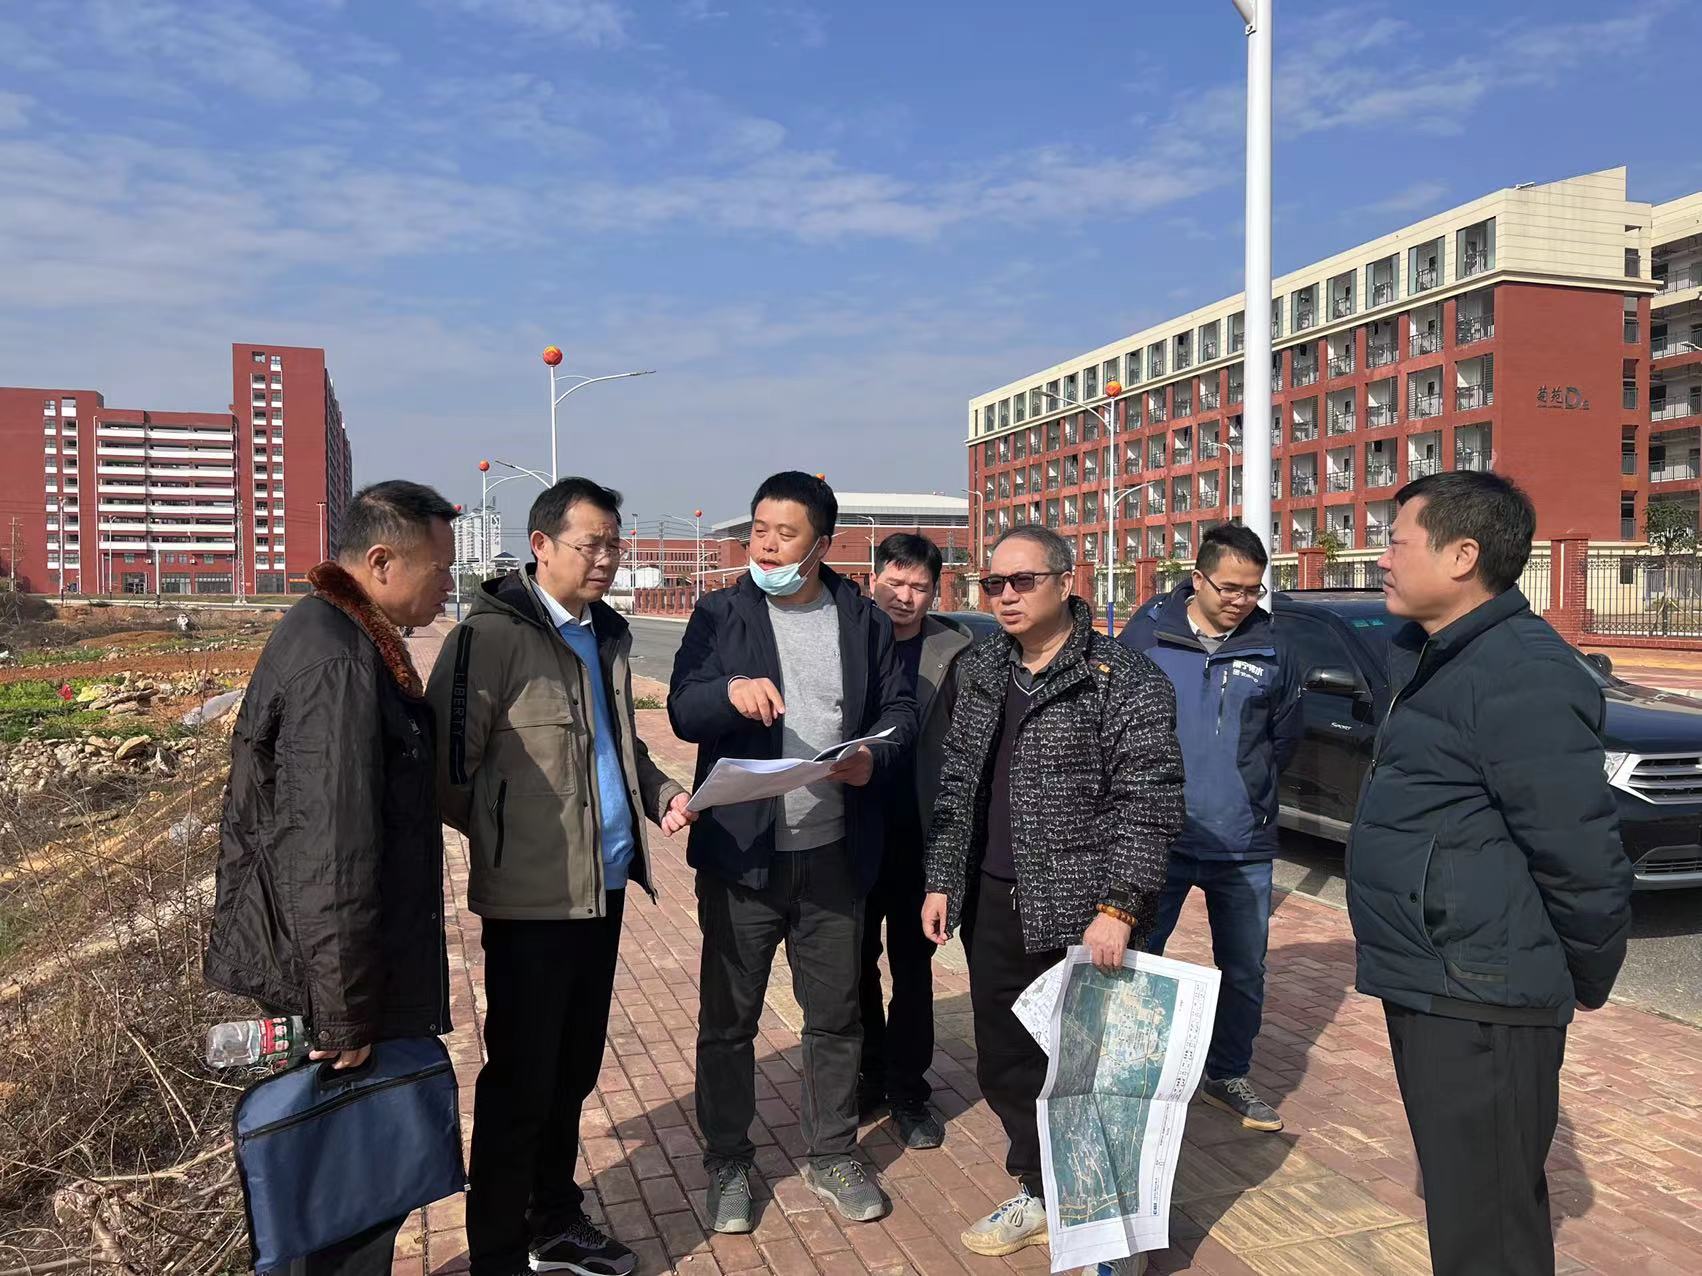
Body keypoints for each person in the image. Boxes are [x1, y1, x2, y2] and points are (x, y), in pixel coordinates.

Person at [1353, 471, 1633, 1276]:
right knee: (1466, 1215)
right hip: (1438, 979)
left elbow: (1580, 851)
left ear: (1463, 555)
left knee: (1490, 1238)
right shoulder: (1441, 655)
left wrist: (1584, 976)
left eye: (1397, 542)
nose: (1382, 559)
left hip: (1485, 997)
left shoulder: (1522, 671)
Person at [427, 477, 695, 1276]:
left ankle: (554, 1220)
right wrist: (515, 841)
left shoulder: (603, 634)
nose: (607, 558)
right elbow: (448, 773)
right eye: (591, 544)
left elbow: (619, 744)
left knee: (573, 1071)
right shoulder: (489, 638)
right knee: (520, 1082)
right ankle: (498, 1253)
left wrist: (661, 794)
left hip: (602, 888)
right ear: (541, 546)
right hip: (532, 901)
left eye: (615, 544)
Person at [205, 481, 457, 1275]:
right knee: (346, 1195)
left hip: (324, 970)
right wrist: (345, 1013)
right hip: (333, 983)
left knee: (334, 1189)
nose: (449, 583)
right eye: (440, 567)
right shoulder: (341, 662)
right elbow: (330, 852)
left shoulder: (334, 634)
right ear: (381, 563)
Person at [922, 526, 1184, 1268]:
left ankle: (1111, 1227)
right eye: (993, 584)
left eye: (1022, 581)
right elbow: (957, 784)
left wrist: (1120, 907)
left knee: (1094, 1074)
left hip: (1085, 912)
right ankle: (1041, 1191)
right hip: (993, 901)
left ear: (1067, 582)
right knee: (1008, 1063)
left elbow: (1151, 801)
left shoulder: (1121, 677)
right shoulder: (980, 668)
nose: (1005, 596)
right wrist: (942, 879)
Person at [668, 472, 917, 1233]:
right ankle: (728, 1161)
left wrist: (875, 757)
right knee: (729, 1022)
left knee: (835, 1017)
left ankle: (833, 1153)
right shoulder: (720, 613)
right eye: (759, 531)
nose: (767, 546)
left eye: (785, 533)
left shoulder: (862, 619)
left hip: (834, 854)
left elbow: (899, 709)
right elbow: (682, 709)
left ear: (823, 543)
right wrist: (729, 694)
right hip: (743, 858)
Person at [1119, 522, 1301, 1133]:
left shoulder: (1273, 647)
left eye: (1253, 589)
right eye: (1229, 588)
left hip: (1242, 843)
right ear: (1197, 579)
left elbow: (1283, 739)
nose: (1241, 600)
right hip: (1157, 837)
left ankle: (1228, 1075)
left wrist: (1248, 793)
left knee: (1244, 969)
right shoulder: (1147, 635)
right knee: (1140, 959)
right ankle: (1135, 1074)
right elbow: (1114, 725)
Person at [857, 533, 975, 1149]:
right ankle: (867, 1074)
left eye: (919, 587)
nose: (904, 596)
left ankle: (908, 1089)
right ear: (873, 579)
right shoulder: (848, 637)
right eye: (894, 582)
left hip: (920, 835)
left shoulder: (957, 651)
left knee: (912, 968)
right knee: (852, 966)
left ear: (935, 591)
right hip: (851, 831)